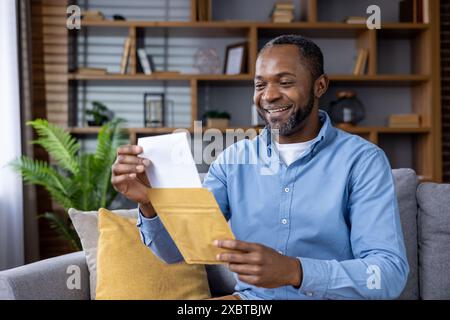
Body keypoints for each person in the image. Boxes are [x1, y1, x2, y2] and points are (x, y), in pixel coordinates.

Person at [111, 35, 409, 300]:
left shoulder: (362, 161)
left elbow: (387, 274)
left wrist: (295, 271)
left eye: (285, 82)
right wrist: (150, 203)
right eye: (260, 84)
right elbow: (176, 253)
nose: (268, 95)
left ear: (320, 85)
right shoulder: (232, 161)